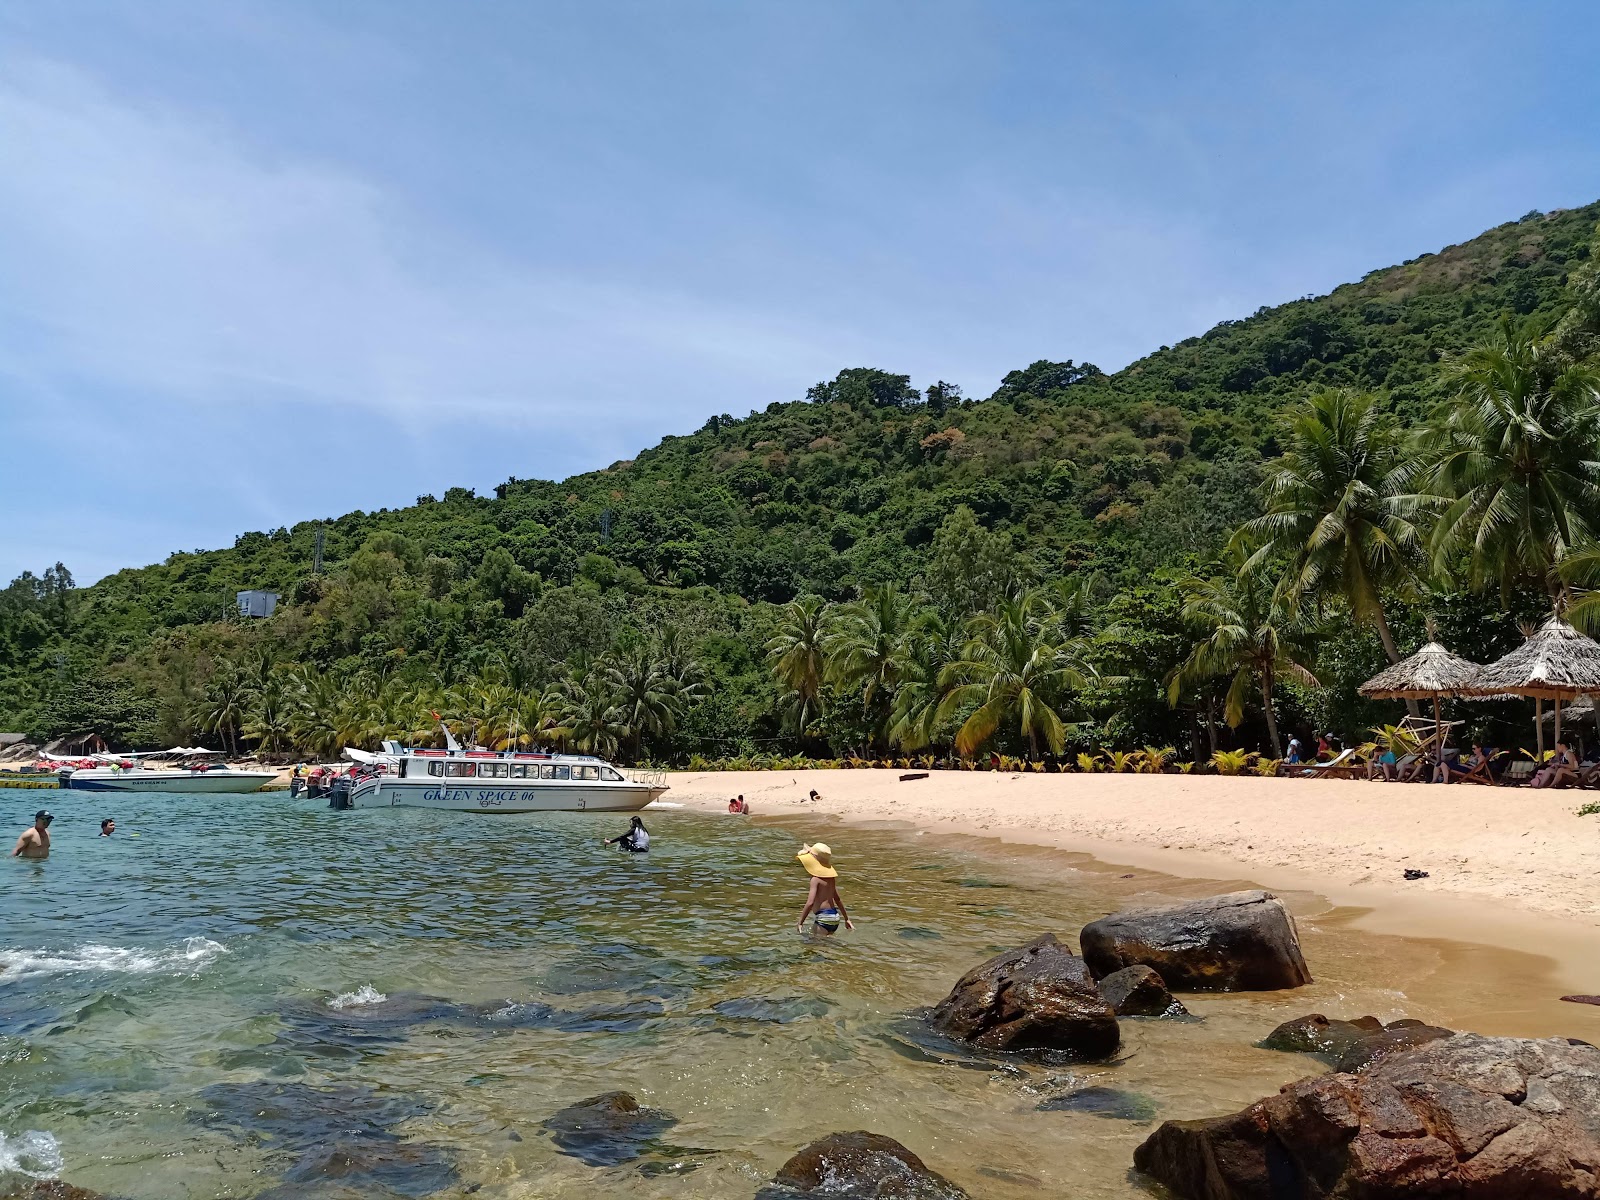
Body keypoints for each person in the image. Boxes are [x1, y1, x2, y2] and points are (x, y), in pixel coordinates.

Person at [795, 843, 852, 936]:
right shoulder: (831, 878)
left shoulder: (815, 879)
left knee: (815, 944)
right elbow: (837, 899)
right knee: (825, 945)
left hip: (823, 917)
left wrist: (800, 922)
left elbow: (810, 902)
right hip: (834, 917)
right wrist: (846, 919)